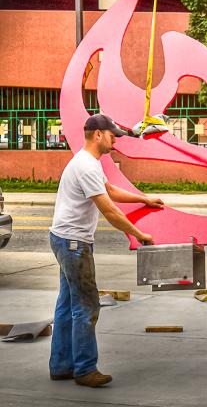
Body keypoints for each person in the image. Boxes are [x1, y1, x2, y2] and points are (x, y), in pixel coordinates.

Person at [49, 114, 163, 387]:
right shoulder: (86, 167)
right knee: (86, 305)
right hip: (74, 244)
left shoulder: (87, 162)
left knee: (67, 305)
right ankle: (85, 369)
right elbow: (108, 209)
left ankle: (61, 365)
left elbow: (109, 190)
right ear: (98, 134)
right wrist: (139, 234)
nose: (115, 140)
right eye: (112, 135)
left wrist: (143, 198)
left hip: (63, 239)